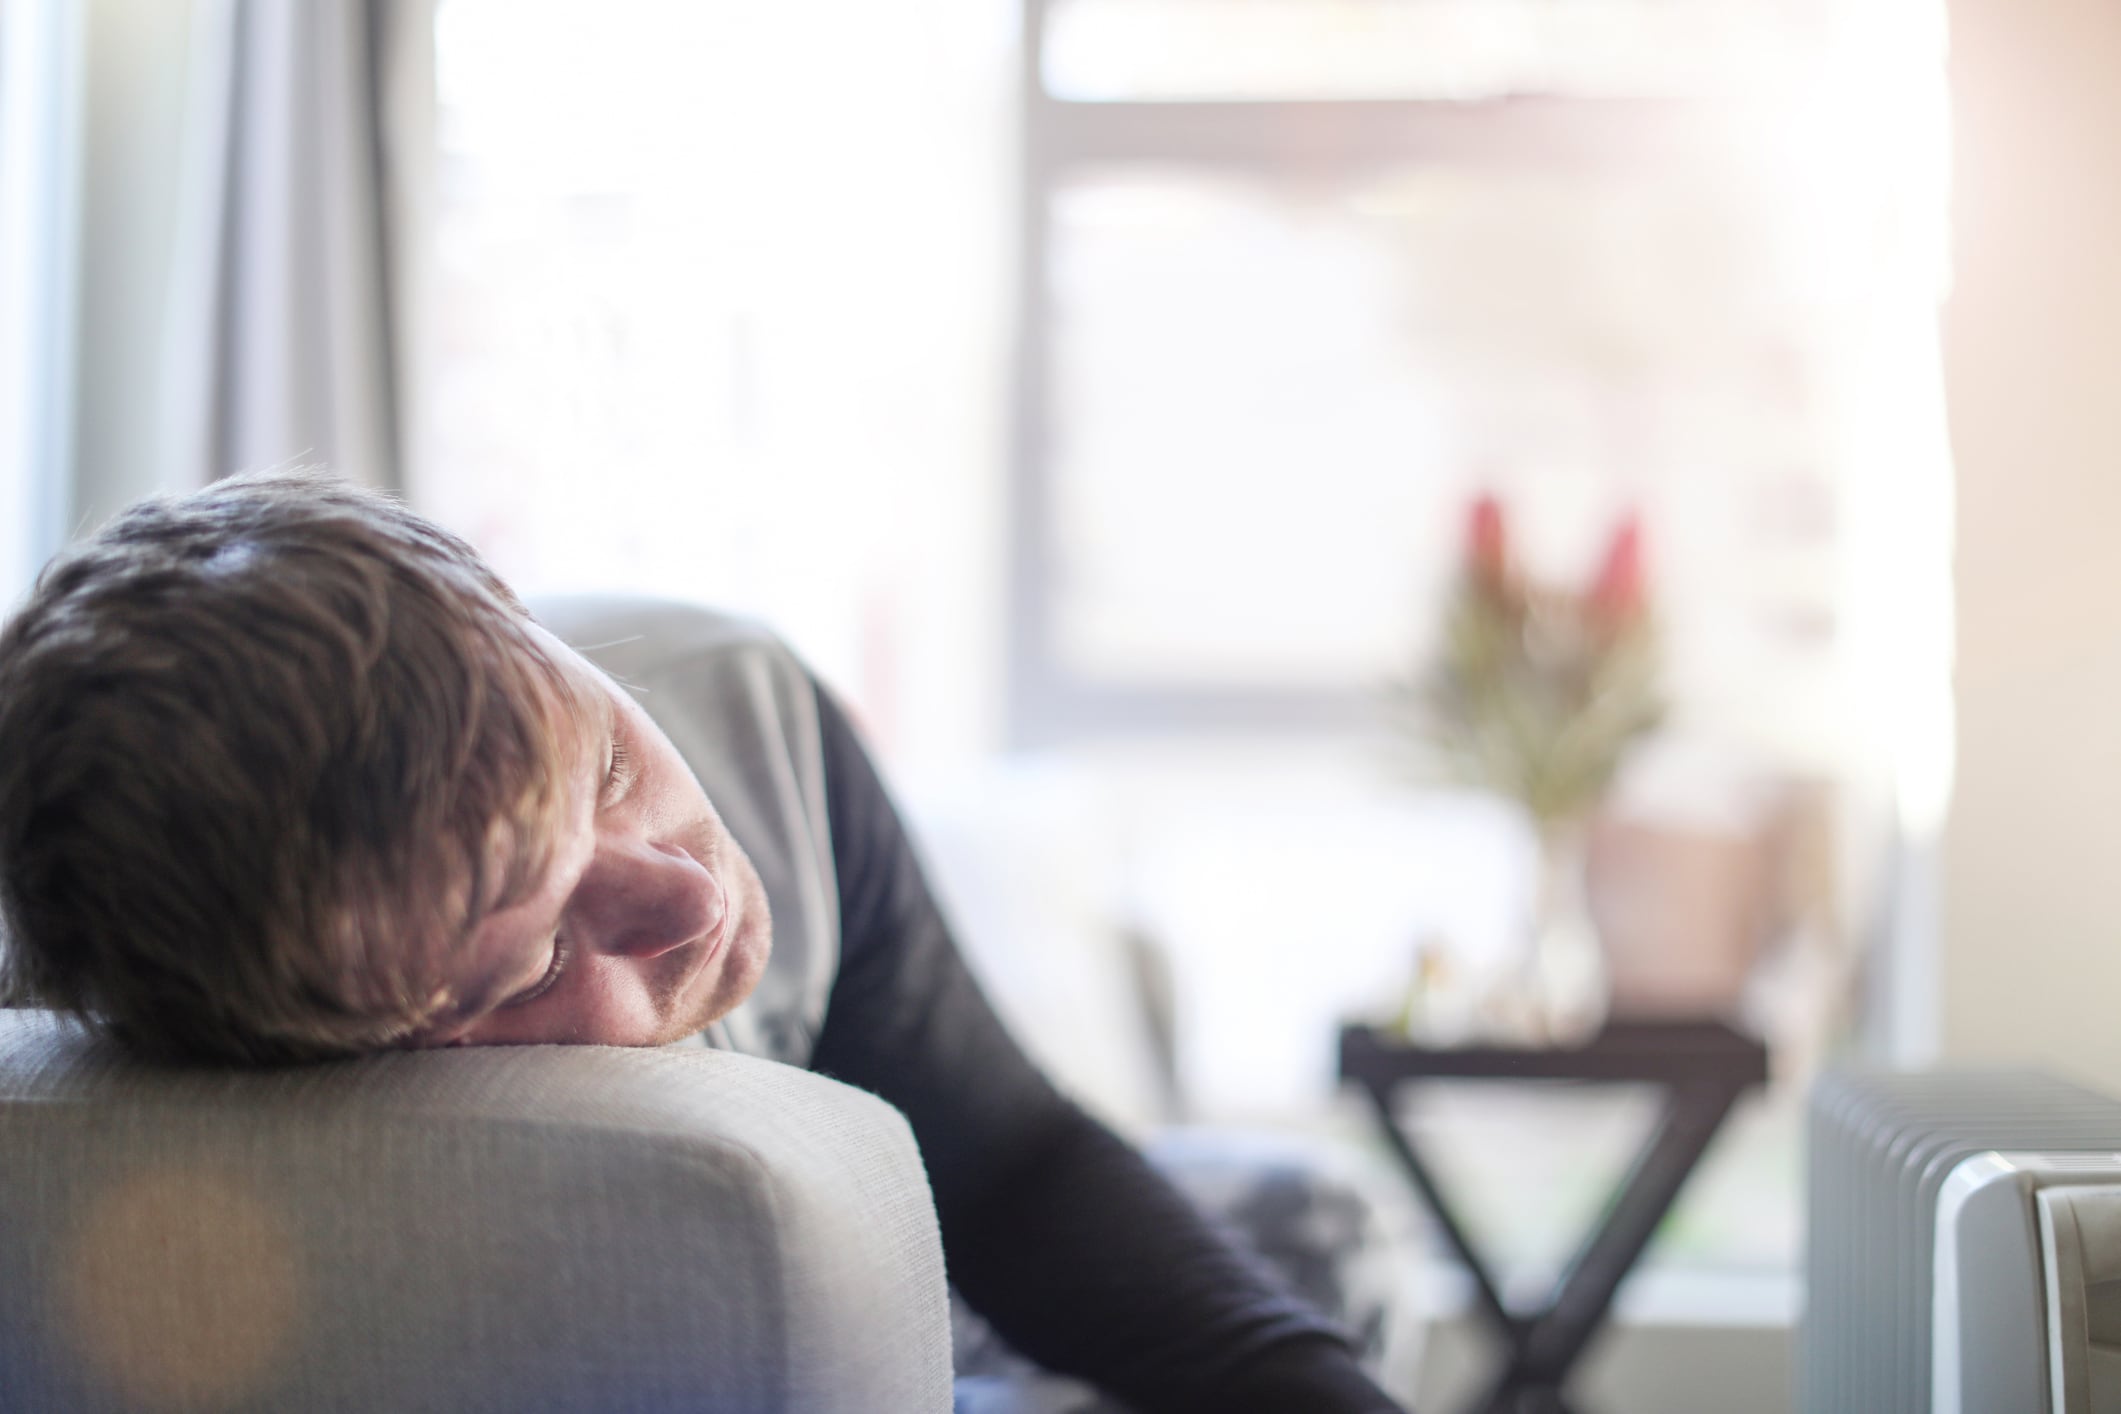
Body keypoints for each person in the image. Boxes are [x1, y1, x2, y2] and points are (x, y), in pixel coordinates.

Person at [0, 472, 1407, 1413]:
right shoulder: (217, 1009)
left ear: (508, 605)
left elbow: (1009, 1164)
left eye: (612, 766)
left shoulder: (745, 699)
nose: (690, 895)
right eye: (538, 963)